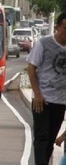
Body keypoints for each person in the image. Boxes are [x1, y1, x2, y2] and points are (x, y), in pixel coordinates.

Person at [26, 12, 66, 165]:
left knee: (50, 139)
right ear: (57, 27)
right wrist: (37, 94)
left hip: (60, 101)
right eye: (65, 28)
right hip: (42, 99)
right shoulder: (43, 43)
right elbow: (31, 68)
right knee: (42, 137)